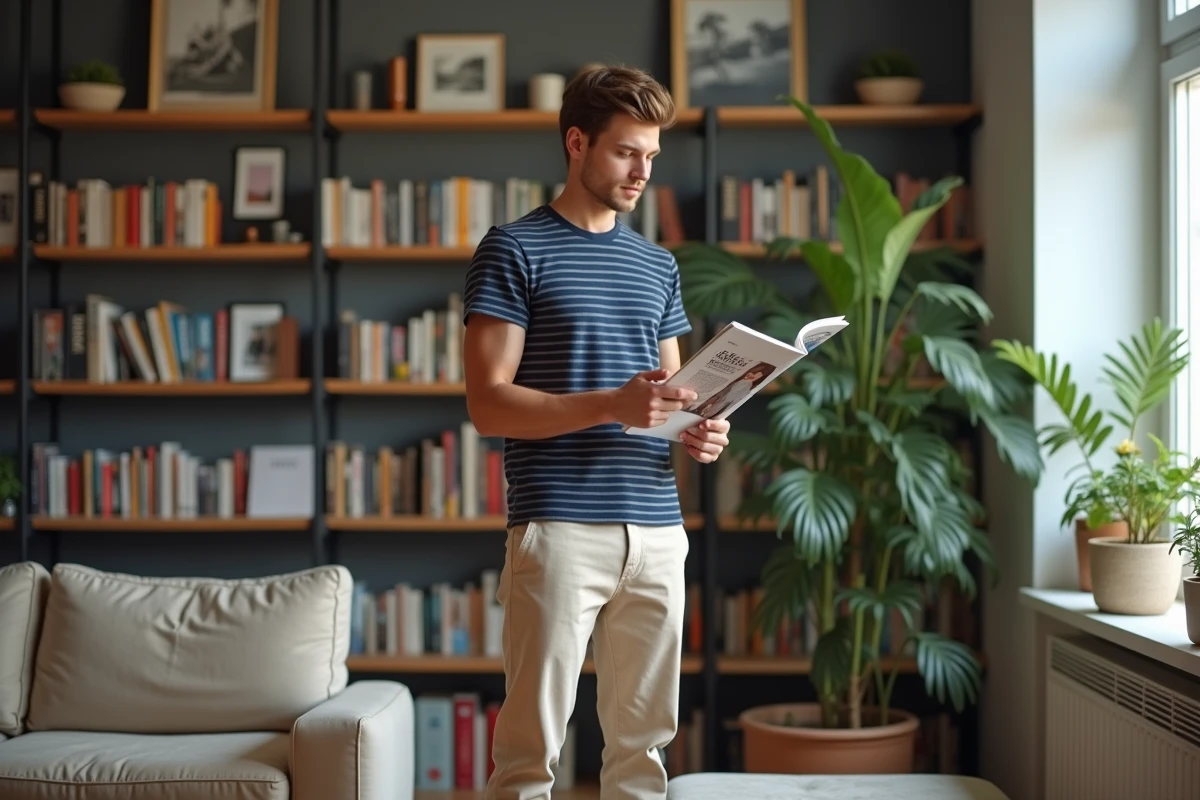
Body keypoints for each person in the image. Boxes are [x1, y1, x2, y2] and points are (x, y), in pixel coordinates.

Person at [462, 64, 730, 800]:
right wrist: (611, 405)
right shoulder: (513, 249)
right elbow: (488, 405)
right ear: (576, 143)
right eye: (626, 152)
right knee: (528, 757)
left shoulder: (657, 265)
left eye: (652, 156)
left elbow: (672, 400)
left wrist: (698, 432)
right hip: (558, 528)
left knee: (643, 759)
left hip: (656, 533)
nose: (643, 171)